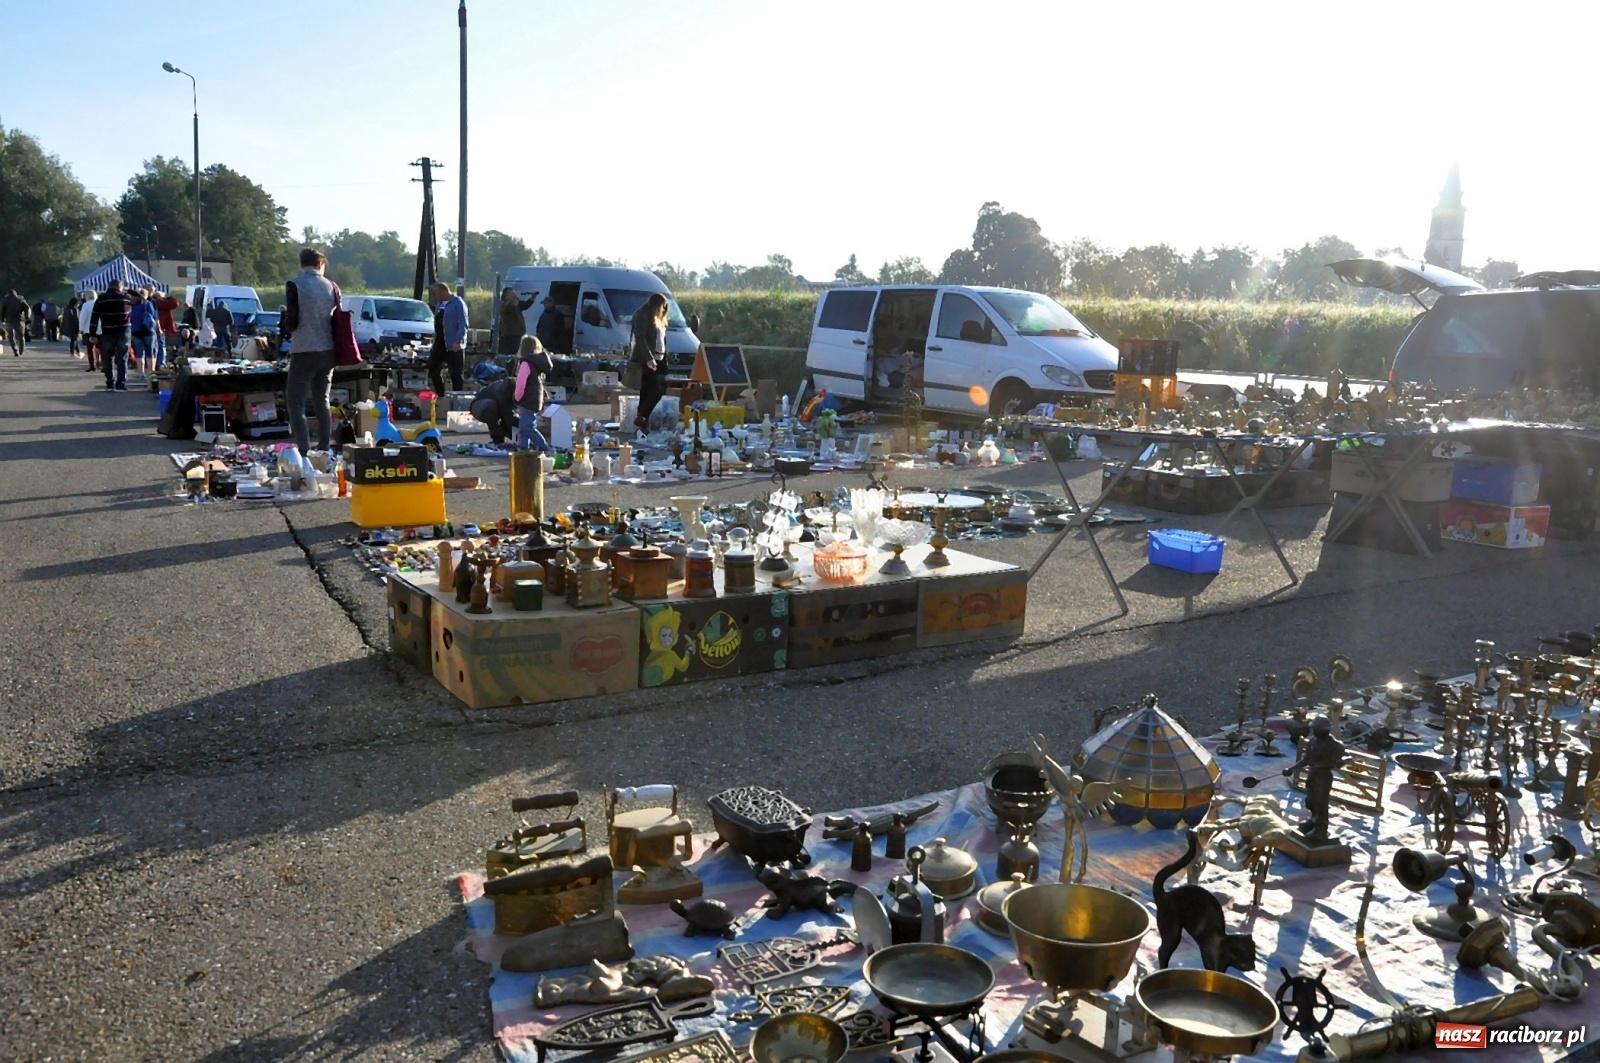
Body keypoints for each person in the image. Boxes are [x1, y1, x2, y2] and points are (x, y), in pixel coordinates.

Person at [281, 247, 343, 458]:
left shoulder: (295, 285)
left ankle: (304, 450)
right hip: (328, 350)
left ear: (303, 263)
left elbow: (292, 321)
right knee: (321, 400)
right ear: (320, 264)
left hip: (304, 349)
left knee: (296, 402)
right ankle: (325, 447)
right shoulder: (332, 287)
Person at [1276, 717, 1347, 843]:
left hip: (1323, 776)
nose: (1313, 732)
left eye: (1316, 730)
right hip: (1313, 773)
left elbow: (1347, 757)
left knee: (1321, 803)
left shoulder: (1335, 745)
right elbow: (1306, 759)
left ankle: (1321, 828)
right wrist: (1292, 768)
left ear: (1325, 731)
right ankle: (1313, 820)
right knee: (1311, 800)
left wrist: (1342, 762)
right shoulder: (1313, 742)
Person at [630, 291, 670, 429]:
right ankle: (642, 417)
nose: (664, 309)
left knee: (647, 391)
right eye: (662, 306)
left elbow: (661, 340)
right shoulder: (643, 314)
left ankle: (642, 421)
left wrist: (664, 360)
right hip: (646, 360)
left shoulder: (659, 319)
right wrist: (649, 358)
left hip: (659, 358)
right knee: (656, 391)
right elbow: (640, 337)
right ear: (656, 305)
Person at [89, 280, 134, 390]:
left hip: (107, 331)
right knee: (122, 357)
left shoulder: (101, 299)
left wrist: (92, 334)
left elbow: (94, 317)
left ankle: (110, 382)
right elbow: (142, 301)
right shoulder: (126, 298)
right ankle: (121, 383)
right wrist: (130, 290)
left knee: (107, 357)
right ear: (121, 287)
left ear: (108, 286)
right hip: (123, 331)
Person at [513, 335, 554, 452]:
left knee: (527, 427)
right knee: (524, 426)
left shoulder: (525, 363)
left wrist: (517, 397)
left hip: (527, 399)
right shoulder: (536, 364)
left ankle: (544, 447)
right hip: (534, 398)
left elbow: (521, 382)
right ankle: (523, 447)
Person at [428, 280, 468, 397]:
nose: (436, 296)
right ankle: (441, 395)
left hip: (453, 344)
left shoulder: (458, 303)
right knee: (433, 368)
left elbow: (463, 323)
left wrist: (459, 340)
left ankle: (457, 398)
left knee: (455, 374)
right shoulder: (440, 305)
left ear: (444, 291)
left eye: (437, 293)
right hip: (440, 343)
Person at [468, 376, 516, 446]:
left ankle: (503, 435)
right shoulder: (503, 390)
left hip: (495, 406)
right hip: (480, 406)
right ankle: (497, 438)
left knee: (508, 416)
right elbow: (508, 416)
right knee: (491, 407)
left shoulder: (515, 389)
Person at [497, 286, 536, 357]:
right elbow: (512, 305)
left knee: (517, 354)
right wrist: (516, 297)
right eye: (511, 293)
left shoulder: (515, 303)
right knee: (510, 355)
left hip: (518, 334)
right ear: (505, 294)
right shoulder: (504, 305)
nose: (513, 294)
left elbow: (525, 305)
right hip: (510, 335)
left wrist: (532, 298)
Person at [129, 288, 159, 383]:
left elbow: (131, 318)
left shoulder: (133, 305)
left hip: (136, 330)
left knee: (139, 352)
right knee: (150, 352)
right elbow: (153, 317)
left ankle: (141, 373)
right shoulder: (148, 304)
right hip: (148, 330)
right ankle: (151, 372)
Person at [151, 289, 180, 369]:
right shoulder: (161, 303)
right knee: (161, 346)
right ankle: (160, 363)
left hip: (152, 328)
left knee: (154, 346)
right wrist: (168, 298)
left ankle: (154, 364)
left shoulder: (151, 302)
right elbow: (175, 303)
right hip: (161, 328)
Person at [1, 290, 29, 356]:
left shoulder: (5, 300)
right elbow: (27, 308)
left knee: (11, 336)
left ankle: (15, 350)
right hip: (19, 320)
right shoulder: (20, 299)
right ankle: (21, 350)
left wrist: (2, 319)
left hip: (9, 320)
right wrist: (26, 317)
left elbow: (2, 310)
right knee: (21, 336)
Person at [77, 291, 98, 371]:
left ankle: (92, 365)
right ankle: (104, 365)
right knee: (102, 348)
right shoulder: (100, 303)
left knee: (90, 348)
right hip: (100, 329)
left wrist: (81, 328)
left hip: (88, 329)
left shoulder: (86, 305)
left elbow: (83, 318)